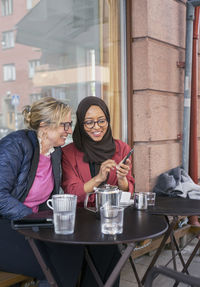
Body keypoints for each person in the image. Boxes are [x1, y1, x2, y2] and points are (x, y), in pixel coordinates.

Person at [0, 97, 84, 287]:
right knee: (56, 263)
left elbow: (48, 199)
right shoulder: (15, 145)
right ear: (45, 126)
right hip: (6, 225)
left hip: (30, 226)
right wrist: (33, 219)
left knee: (73, 250)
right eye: (65, 125)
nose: (69, 131)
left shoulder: (54, 153)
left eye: (70, 125)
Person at [61, 96, 135, 287]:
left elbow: (129, 191)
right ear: (81, 123)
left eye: (101, 120)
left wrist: (121, 179)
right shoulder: (68, 152)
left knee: (108, 251)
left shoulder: (121, 148)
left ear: (108, 120)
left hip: (110, 219)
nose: (97, 127)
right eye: (89, 122)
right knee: (109, 253)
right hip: (80, 221)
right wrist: (98, 178)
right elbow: (71, 191)